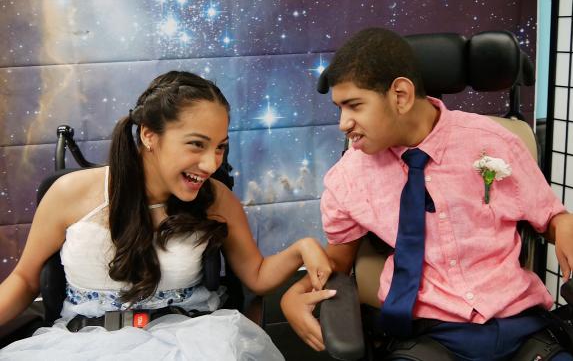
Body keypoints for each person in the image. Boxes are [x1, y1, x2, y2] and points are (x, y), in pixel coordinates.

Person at [280, 28, 573, 360]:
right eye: (339, 108)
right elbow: (337, 264)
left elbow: (547, 216)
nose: (343, 123)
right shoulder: (349, 178)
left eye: (354, 106)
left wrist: (566, 223)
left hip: (521, 328)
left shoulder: (494, 141)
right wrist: (295, 294)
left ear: (400, 95)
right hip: (428, 337)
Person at [0, 71, 332, 360]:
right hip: (80, 345)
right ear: (149, 135)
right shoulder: (69, 193)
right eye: (196, 145)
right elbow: (25, 280)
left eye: (220, 146)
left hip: (190, 342)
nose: (212, 163)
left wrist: (301, 247)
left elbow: (257, 275)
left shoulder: (216, 199)